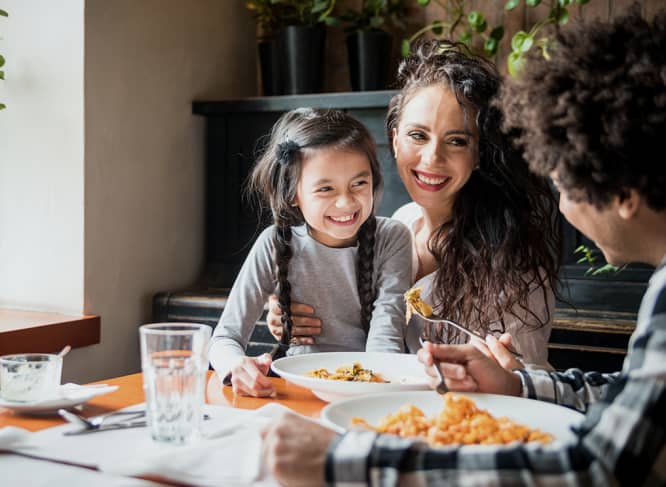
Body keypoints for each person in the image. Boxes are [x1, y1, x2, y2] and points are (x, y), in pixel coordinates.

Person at [262, 8, 666, 486]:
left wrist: (345, 461)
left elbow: (599, 466)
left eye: (565, 182)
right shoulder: (388, 232)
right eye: (417, 135)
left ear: (622, 197)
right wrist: (298, 305)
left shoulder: (513, 251)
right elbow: (624, 399)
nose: (561, 203)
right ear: (393, 140)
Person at [266, 40, 561, 368]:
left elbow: (525, 383)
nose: (433, 157)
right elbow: (364, 332)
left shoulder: (513, 261)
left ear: (479, 154)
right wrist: (296, 315)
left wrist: (507, 371)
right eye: (417, 136)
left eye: (457, 141)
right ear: (394, 139)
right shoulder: (396, 225)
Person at [209, 108, 412, 397]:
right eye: (326, 189)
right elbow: (224, 338)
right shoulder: (274, 243)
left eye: (359, 184)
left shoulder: (393, 238)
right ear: (293, 194)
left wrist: (371, 388)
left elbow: (387, 334)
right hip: (297, 388)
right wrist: (236, 366)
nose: (346, 202)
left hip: (372, 387)